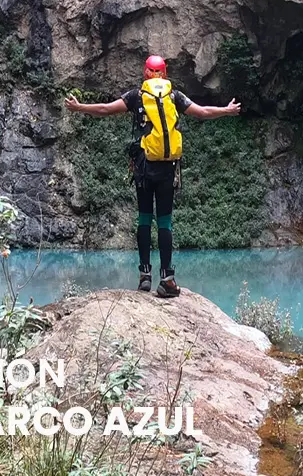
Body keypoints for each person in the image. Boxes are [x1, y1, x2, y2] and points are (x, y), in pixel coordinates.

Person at [64, 55, 241, 298]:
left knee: (144, 218)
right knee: (165, 221)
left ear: (146, 73)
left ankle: (145, 275)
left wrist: (79, 107)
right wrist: (227, 110)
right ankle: (167, 278)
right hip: (168, 168)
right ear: (164, 73)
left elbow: (106, 109)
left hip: (143, 168)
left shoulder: (136, 96)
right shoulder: (174, 96)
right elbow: (201, 112)